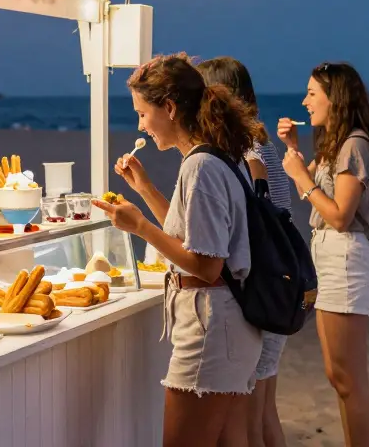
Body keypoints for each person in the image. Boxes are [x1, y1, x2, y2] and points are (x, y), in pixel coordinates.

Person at [92, 53, 264, 447]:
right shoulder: (217, 155)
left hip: (210, 327)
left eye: (141, 113)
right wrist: (146, 190)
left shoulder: (200, 167)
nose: (140, 125)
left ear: (168, 108)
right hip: (228, 324)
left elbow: (206, 265)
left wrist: (140, 227)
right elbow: (196, 236)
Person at [277, 62, 369, 447]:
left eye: (311, 93)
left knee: (350, 378)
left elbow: (339, 215)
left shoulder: (354, 144)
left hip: (348, 260)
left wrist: (300, 177)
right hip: (332, 259)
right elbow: (323, 204)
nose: (304, 102)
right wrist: (294, 153)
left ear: (334, 98)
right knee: (338, 375)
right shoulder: (336, 144)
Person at [196, 56, 290, 447]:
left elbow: (242, 226)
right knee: (265, 411)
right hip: (279, 287)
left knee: (249, 419)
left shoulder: (246, 150)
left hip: (261, 288)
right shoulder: (260, 142)